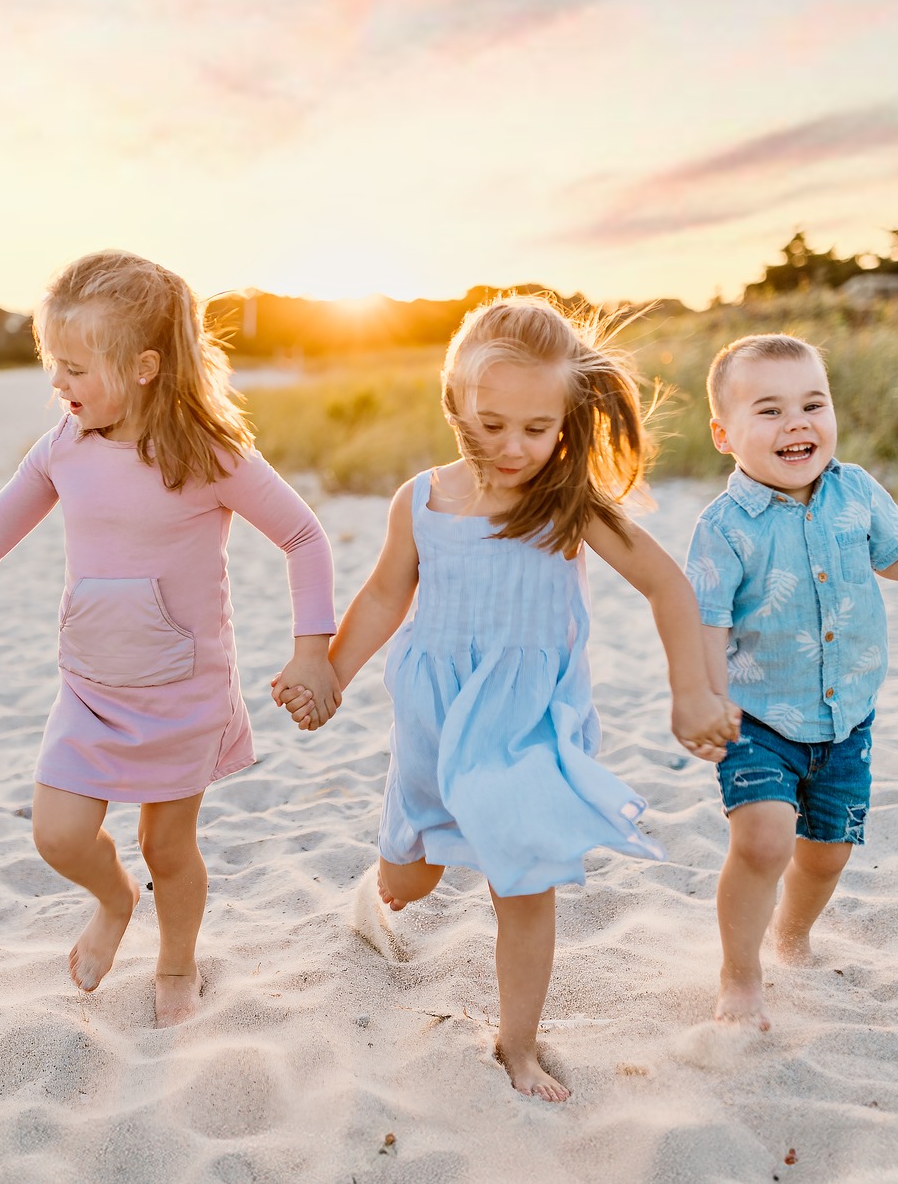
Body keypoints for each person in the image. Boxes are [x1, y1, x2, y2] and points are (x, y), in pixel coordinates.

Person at [0, 250, 340, 1028]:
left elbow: (305, 535)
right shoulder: (62, 450)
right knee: (59, 834)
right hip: (91, 688)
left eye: (76, 368)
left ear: (143, 367)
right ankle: (114, 900)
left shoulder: (207, 453)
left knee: (169, 850)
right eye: (54, 368)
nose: (61, 387)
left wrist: (313, 646)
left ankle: (177, 961)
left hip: (181, 689)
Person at [278, 296, 738, 1100]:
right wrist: (332, 673)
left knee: (521, 883)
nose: (516, 446)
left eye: (538, 426)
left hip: (527, 723)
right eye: (492, 424)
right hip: (435, 715)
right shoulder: (420, 499)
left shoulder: (568, 505)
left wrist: (689, 689)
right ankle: (380, 890)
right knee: (408, 878)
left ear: (567, 414)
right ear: (455, 399)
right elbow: (387, 595)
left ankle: (517, 1045)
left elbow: (667, 583)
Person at [686, 334, 898, 1030]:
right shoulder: (724, 528)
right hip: (758, 721)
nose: (799, 423)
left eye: (814, 403)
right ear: (724, 433)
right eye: (771, 410)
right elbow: (707, 621)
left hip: (846, 718)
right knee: (764, 841)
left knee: (828, 852)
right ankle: (740, 974)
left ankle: (791, 936)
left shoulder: (855, 491)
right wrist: (706, 696)